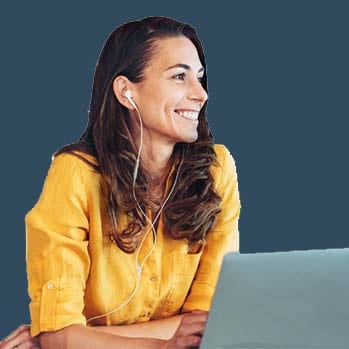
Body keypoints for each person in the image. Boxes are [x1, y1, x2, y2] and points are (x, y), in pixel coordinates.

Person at [0, 16, 240, 349]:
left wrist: (77, 339)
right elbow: (59, 333)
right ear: (127, 92)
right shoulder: (75, 174)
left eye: (199, 78)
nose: (201, 94)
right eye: (179, 76)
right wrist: (164, 344)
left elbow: (210, 325)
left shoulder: (217, 170)